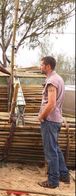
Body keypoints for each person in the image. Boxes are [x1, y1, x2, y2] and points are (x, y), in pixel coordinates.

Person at [38, 56, 70, 189]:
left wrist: (42, 116)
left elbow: (51, 103)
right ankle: (64, 175)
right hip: (57, 119)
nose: (40, 67)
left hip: (50, 120)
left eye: (41, 65)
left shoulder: (52, 81)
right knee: (55, 149)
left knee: (51, 152)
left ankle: (53, 181)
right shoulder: (59, 79)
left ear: (48, 66)